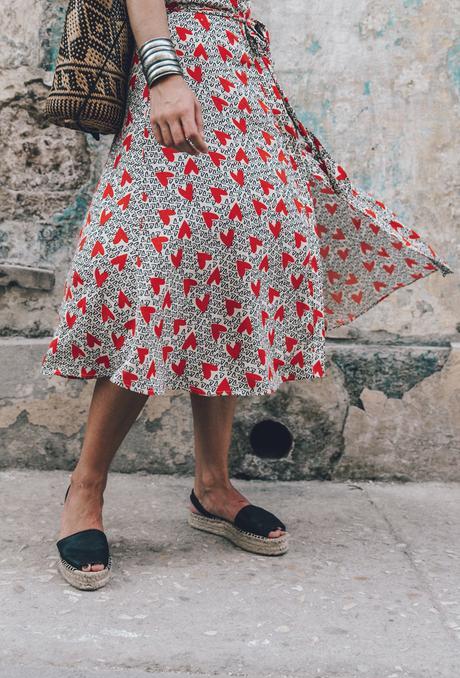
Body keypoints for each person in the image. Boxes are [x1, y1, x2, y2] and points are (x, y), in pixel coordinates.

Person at [41, 0, 452, 590]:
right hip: (182, 64)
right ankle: (86, 486)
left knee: (231, 272)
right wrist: (163, 71)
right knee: (161, 269)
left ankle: (212, 485)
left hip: (242, 74)